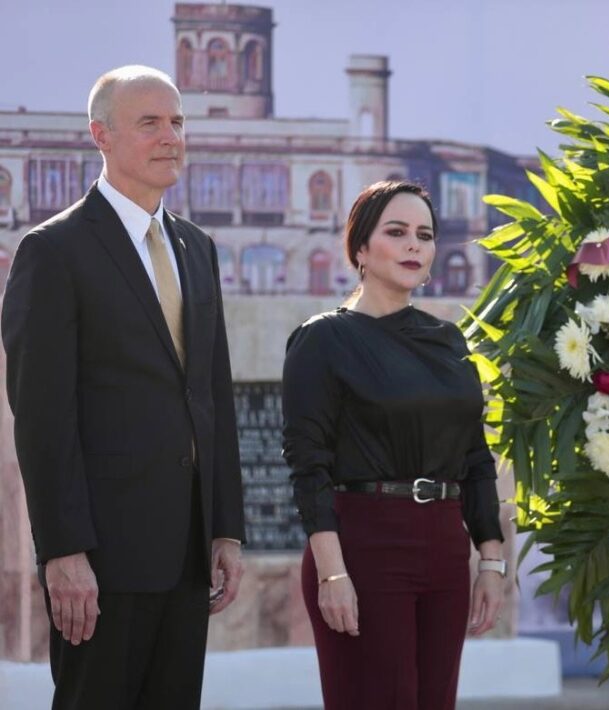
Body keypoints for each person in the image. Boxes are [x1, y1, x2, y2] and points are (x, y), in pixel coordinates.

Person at [2, 65, 245, 709]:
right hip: (102, 559)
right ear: (100, 136)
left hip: (188, 553)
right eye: (150, 123)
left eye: (177, 122)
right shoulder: (53, 252)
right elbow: (42, 418)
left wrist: (225, 528)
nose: (171, 137)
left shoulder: (198, 249)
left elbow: (212, 396)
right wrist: (63, 552)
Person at [282, 180, 506, 710]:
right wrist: (332, 572)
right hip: (363, 545)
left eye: (424, 235)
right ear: (360, 248)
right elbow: (307, 466)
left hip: (444, 549)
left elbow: (474, 457)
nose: (414, 246)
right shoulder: (322, 340)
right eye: (397, 232)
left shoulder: (449, 342)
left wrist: (491, 562)